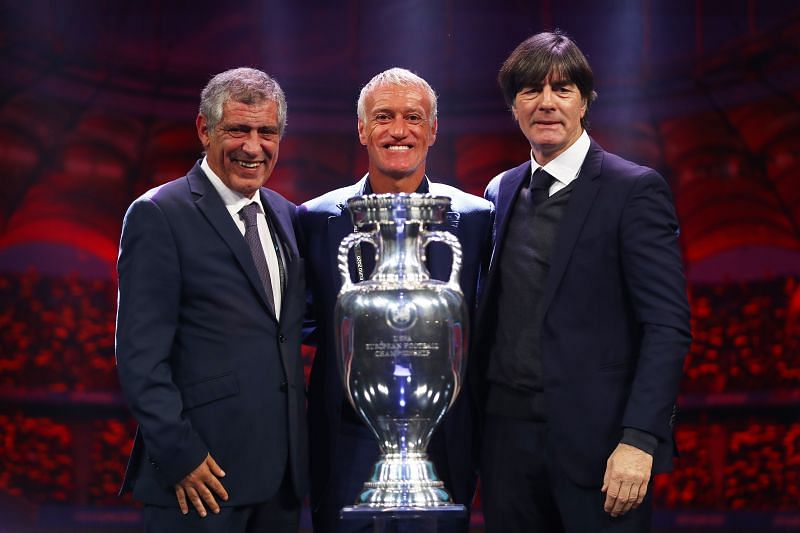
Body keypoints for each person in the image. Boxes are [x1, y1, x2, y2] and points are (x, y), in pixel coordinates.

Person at [472, 31, 692, 532]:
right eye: (530, 90)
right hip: (507, 445)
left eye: (563, 89)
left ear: (586, 101)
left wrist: (640, 439)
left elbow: (667, 326)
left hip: (602, 451)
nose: (546, 102)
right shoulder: (500, 189)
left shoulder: (632, 189)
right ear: (513, 105)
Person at [298, 68, 493, 532]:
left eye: (413, 117)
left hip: (443, 435)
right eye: (383, 117)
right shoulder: (318, 218)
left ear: (433, 130)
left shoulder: (475, 218)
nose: (399, 131)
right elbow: (304, 322)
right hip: (347, 434)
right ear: (363, 128)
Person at [115, 67, 308, 533]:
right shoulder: (159, 214)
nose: (253, 146)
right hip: (201, 480)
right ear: (205, 129)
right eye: (238, 130)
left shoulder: (286, 214)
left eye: (267, 132)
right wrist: (180, 454)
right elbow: (140, 357)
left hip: (281, 480)